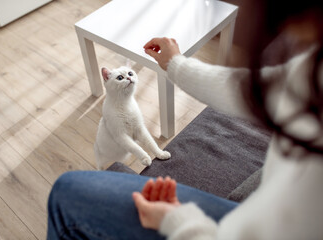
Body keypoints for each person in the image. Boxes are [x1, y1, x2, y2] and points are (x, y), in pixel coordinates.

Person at [47, 0, 323, 239]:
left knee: (65, 192)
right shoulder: (312, 73)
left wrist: (176, 219)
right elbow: (264, 89)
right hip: (258, 211)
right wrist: (176, 64)